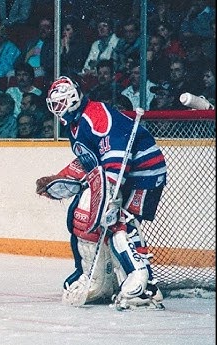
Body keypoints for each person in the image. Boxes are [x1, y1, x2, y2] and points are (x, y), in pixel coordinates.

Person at [36, 75, 167, 310]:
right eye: (54, 105)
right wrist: (58, 178)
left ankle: (145, 286)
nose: (57, 109)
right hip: (124, 173)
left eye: (60, 103)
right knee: (83, 215)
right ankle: (101, 278)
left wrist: (111, 196)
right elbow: (89, 161)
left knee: (120, 221)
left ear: (73, 98)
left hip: (144, 172)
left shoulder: (96, 114)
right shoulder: (76, 124)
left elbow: (116, 154)